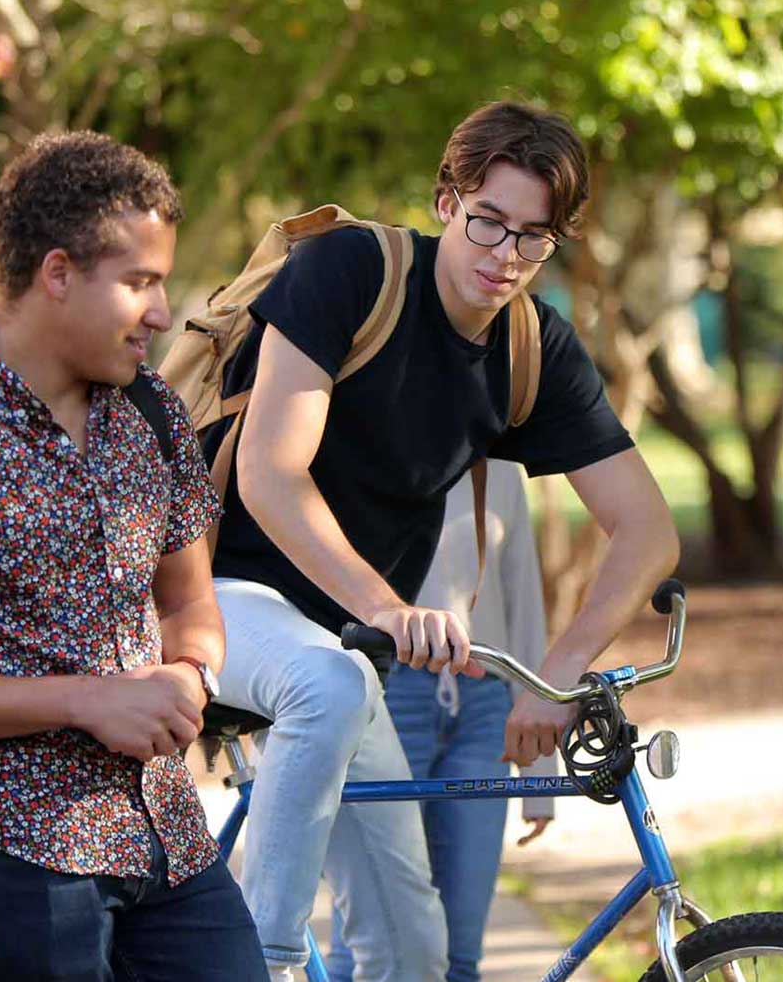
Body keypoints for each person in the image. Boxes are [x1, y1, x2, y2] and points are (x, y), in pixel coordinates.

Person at [209, 100, 679, 980]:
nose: (504, 257)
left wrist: (565, 669)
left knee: (411, 950)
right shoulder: (350, 272)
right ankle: (252, 963)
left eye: (533, 239)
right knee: (328, 680)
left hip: (350, 653)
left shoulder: (533, 350)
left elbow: (647, 530)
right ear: (444, 201)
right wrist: (388, 608)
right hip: (219, 596)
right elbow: (270, 475)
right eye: (488, 222)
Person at [0, 132, 266, 980]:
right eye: (140, 282)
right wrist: (86, 701)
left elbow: (191, 605)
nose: (162, 312)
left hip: (163, 829)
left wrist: (190, 676)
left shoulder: (152, 412)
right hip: (4, 839)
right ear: (56, 274)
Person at [326, 459, 557, 981]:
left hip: (485, 708)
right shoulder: (368, 439)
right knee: (371, 941)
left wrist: (539, 778)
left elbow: (524, 601)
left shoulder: (500, 468)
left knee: (461, 954)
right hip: (387, 695)